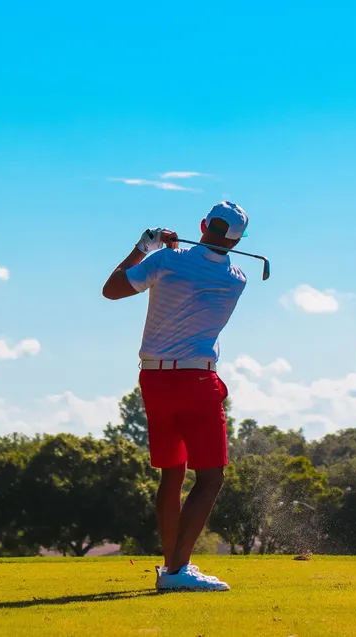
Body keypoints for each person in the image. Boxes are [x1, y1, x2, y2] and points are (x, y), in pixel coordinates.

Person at [102, 201, 249, 592]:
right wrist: (172, 252)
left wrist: (144, 246)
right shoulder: (236, 279)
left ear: (202, 225)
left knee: (172, 474)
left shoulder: (165, 262)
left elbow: (111, 290)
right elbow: (204, 267)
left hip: (154, 379)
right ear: (238, 242)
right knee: (211, 477)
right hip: (196, 380)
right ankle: (176, 569)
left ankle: (173, 568)